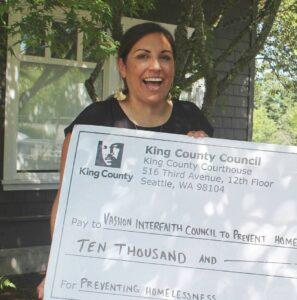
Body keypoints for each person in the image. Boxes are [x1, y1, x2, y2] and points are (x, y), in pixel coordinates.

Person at [37, 22, 213, 299]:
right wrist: (60, 265)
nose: (155, 66)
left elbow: (210, 203)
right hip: (106, 271)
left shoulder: (192, 119)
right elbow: (66, 202)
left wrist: (205, 157)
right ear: (122, 67)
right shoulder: (95, 121)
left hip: (175, 273)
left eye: (165, 57)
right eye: (142, 56)